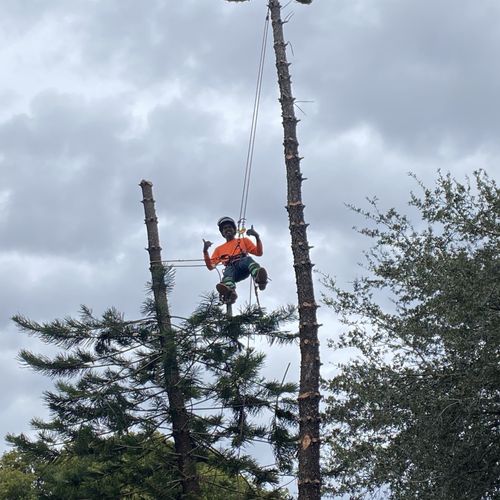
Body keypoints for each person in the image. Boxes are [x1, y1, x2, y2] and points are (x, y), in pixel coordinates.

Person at [203, 216, 268, 303]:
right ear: (222, 233)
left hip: (243, 266)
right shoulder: (219, 249)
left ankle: (259, 277)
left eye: (230, 227)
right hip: (232, 272)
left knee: (247, 259)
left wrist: (257, 237)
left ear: (234, 230)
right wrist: (205, 251)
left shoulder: (243, 240)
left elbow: (259, 253)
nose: (227, 229)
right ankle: (229, 291)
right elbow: (211, 266)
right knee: (228, 270)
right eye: (225, 228)